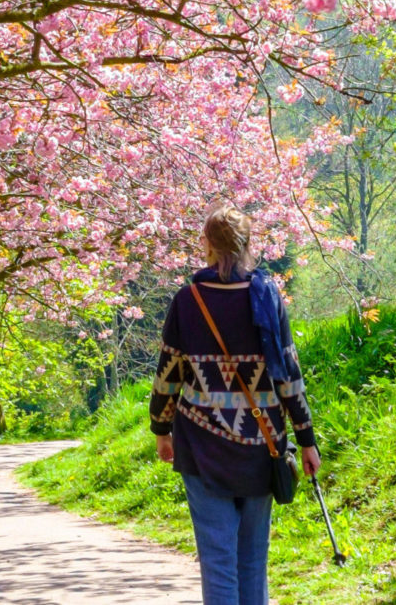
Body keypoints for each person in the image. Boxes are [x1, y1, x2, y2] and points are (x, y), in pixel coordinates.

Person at [150, 205, 319, 605]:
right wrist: (306, 439)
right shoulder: (266, 296)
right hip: (263, 446)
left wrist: (161, 429)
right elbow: (288, 375)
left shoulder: (188, 300)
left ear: (206, 245)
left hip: (202, 446)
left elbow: (169, 373)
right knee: (252, 561)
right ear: (248, 246)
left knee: (218, 560)